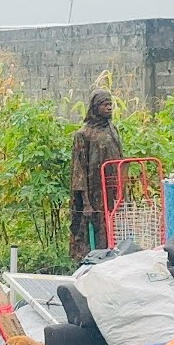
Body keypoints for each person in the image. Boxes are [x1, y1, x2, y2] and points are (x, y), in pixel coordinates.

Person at [69, 89, 124, 261]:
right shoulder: (83, 134)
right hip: (94, 195)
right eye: (105, 104)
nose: (109, 108)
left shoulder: (112, 129)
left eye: (110, 104)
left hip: (114, 192)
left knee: (115, 231)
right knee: (93, 235)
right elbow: (79, 170)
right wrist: (86, 203)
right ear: (95, 107)